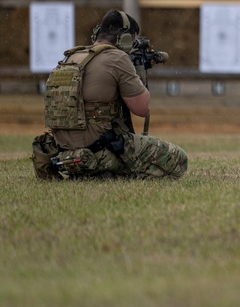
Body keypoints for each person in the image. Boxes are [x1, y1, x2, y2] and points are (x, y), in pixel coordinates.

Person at [31, 10, 188, 180]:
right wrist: (138, 71)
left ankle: (94, 173)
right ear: (126, 38)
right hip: (99, 149)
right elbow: (142, 108)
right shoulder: (118, 58)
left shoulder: (72, 57)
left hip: (64, 151)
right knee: (179, 160)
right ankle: (106, 173)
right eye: (133, 41)